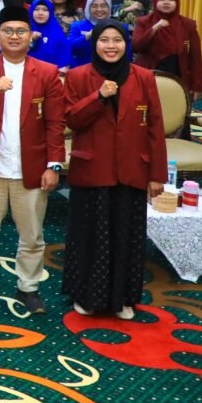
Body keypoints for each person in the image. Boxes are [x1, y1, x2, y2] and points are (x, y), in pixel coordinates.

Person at [0, 5, 66, 315]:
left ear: (30, 35)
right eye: (8, 31)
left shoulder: (46, 72)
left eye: (21, 31)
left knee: (32, 235)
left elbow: (56, 123)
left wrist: (54, 165)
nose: (15, 36)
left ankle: (28, 287)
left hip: (30, 168)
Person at [62, 19, 167, 319]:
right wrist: (98, 97)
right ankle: (87, 297)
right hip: (92, 170)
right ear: (94, 43)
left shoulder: (143, 77)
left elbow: (155, 127)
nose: (111, 46)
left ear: (126, 43)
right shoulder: (78, 76)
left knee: (125, 236)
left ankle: (122, 299)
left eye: (117, 40)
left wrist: (156, 175)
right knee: (89, 236)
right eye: (104, 40)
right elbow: (71, 119)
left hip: (131, 170)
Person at [132, 0, 202, 101]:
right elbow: (136, 46)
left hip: (177, 75)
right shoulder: (144, 22)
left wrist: (197, 85)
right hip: (148, 74)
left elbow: (195, 57)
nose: (166, 2)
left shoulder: (187, 25)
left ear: (177, 2)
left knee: (173, 108)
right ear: (155, 2)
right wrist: (155, 28)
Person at [69, 0, 115, 68]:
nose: (99, 9)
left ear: (109, 7)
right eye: (94, 6)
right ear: (88, 8)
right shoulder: (78, 26)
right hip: (82, 69)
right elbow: (70, 48)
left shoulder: (118, 27)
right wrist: (86, 37)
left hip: (111, 69)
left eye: (103, 6)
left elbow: (125, 54)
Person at [28, 0, 70, 71]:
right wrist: (31, 40)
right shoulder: (23, 30)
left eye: (45, 10)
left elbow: (64, 57)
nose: (40, 13)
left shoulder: (57, 32)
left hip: (52, 74)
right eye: (36, 9)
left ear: (50, 12)